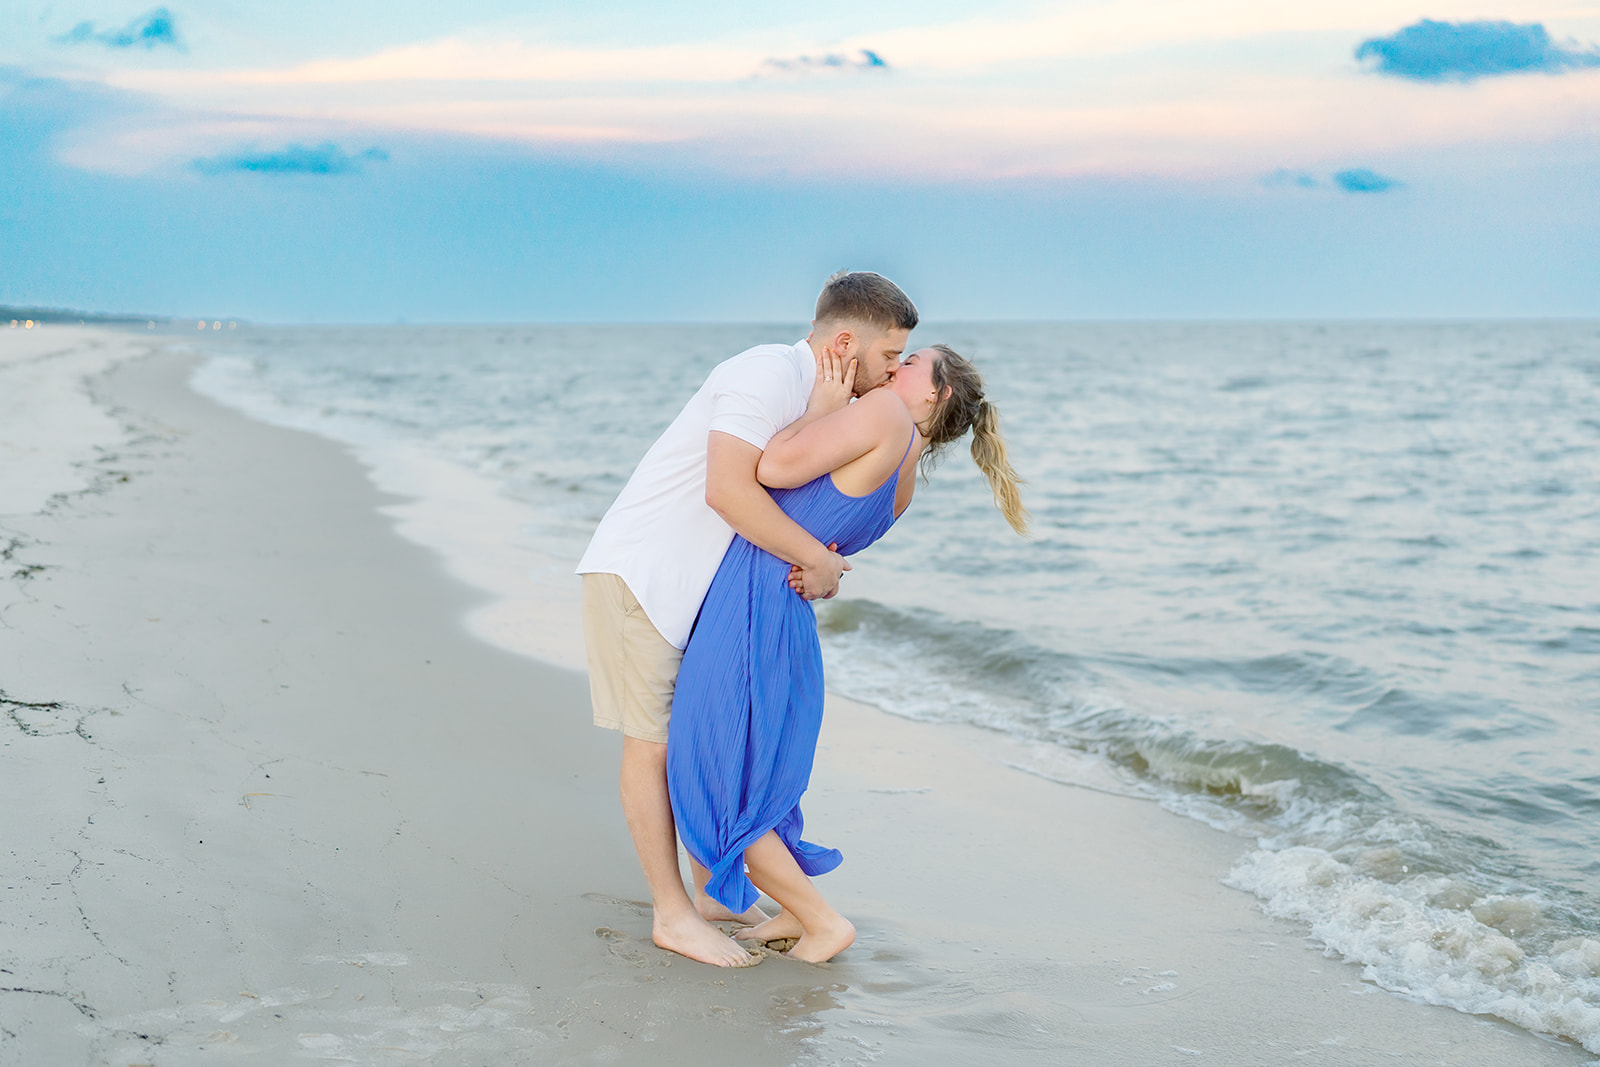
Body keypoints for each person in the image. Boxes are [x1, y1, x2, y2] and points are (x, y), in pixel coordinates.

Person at [576, 271, 917, 967]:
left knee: (687, 744)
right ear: (845, 343)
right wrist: (816, 561)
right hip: (645, 575)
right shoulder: (764, 373)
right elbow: (728, 489)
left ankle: (711, 896)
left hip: (692, 592)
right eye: (889, 357)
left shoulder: (814, 399)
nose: (892, 374)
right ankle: (672, 913)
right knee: (653, 748)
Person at [666, 343, 1028, 963]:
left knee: (713, 775)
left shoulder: (884, 415)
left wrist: (822, 407)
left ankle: (822, 922)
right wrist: (821, 564)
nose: (893, 368)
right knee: (748, 775)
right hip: (785, 617)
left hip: (754, 608)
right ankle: (786, 911)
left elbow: (772, 469)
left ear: (935, 393)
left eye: (909, 362)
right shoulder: (905, 476)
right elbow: (828, 536)